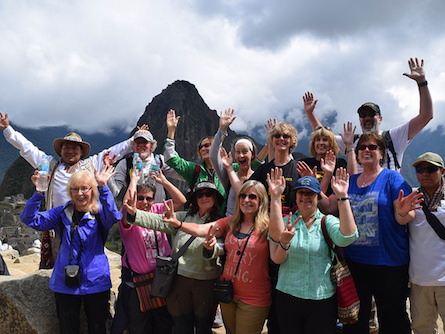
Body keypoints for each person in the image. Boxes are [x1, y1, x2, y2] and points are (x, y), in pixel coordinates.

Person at [0, 112, 134, 268]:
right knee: (59, 266)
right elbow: (28, 149)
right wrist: (8, 130)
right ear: (60, 151)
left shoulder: (91, 164)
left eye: (74, 148)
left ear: (81, 152)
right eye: (66, 147)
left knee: (85, 264)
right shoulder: (50, 165)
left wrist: (135, 140)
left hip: (86, 225)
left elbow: (116, 150)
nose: (70, 151)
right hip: (57, 225)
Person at [20, 166, 121, 334]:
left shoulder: (100, 213)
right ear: (70, 191)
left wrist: (103, 188)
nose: (80, 193)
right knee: (68, 327)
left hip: (95, 280)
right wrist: (39, 192)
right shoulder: (61, 213)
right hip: (65, 281)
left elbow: (114, 216)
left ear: (92, 190)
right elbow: (29, 218)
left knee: (98, 327)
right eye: (75, 189)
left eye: (84, 188)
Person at [340, 132, 423, 334]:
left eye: (372, 147)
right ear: (357, 154)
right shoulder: (349, 182)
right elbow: (333, 209)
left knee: (393, 318)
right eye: (362, 148)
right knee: (355, 320)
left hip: (389, 264)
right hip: (355, 263)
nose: (366, 150)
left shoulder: (392, 178)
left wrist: (403, 211)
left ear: (381, 154)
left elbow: (405, 215)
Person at [165, 180, 272, 334]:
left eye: (252, 197)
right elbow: (203, 229)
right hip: (228, 293)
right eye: (242, 196)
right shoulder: (231, 223)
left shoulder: (268, 227)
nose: (246, 200)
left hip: (254, 298)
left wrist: (276, 197)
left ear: (261, 200)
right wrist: (178, 224)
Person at [124, 180, 224, 334]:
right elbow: (158, 221)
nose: (204, 197)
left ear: (216, 198)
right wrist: (135, 214)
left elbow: (223, 247)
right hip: (180, 281)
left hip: (206, 283)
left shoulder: (221, 223)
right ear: (195, 200)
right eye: (200, 195)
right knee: (181, 324)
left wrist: (212, 249)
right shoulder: (184, 217)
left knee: (203, 325)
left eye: (208, 194)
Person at [303, 57, 433, 173]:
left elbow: (426, 116)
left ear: (380, 119)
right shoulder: (352, 141)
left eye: (372, 114)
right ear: (359, 120)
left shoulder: (394, 136)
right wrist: (310, 113)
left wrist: (422, 83)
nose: (367, 118)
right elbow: (323, 137)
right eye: (363, 115)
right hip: (359, 196)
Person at [268, 170, 358, 333]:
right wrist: (284, 243)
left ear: (318, 197)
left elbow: (347, 237)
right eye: (301, 192)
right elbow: (277, 259)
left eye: (310, 193)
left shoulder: (327, 221)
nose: (305, 196)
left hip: (321, 301)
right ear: (295, 196)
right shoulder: (286, 222)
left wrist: (342, 196)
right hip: (288, 297)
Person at [111, 169, 186, 334]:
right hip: (139, 283)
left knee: (163, 322)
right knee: (139, 324)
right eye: (141, 198)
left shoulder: (158, 210)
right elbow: (127, 205)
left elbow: (181, 201)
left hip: (162, 280)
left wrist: (164, 182)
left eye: (149, 198)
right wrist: (133, 180)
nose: (144, 202)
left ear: (154, 199)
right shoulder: (130, 217)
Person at [406, 152, 445, 333]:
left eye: (431, 169)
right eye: (420, 169)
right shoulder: (411, 200)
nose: (425, 173)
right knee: (422, 329)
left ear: (442, 171)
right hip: (420, 279)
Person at [210, 108, 267, 216]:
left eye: (245, 152)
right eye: (238, 152)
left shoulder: (259, 176)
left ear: (252, 154)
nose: (241, 155)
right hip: (230, 225)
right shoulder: (227, 176)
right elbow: (213, 156)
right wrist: (222, 130)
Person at [164, 109, 226, 202]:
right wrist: (171, 131)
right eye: (200, 147)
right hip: (199, 215)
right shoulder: (194, 170)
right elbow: (170, 159)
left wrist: (223, 129)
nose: (203, 149)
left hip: (223, 215)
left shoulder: (229, 169)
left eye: (207, 145)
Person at [107, 127, 183, 203]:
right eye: (138, 142)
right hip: (135, 211)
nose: (141, 145)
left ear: (151, 145)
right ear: (133, 145)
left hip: (159, 211)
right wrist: (107, 172)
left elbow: (181, 175)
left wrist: (176, 159)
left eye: (144, 142)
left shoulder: (160, 161)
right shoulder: (125, 163)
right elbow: (114, 192)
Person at [297, 125, 347, 196]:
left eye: (325, 140)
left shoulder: (340, 164)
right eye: (317, 140)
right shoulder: (305, 164)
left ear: (331, 144)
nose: (321, 143)